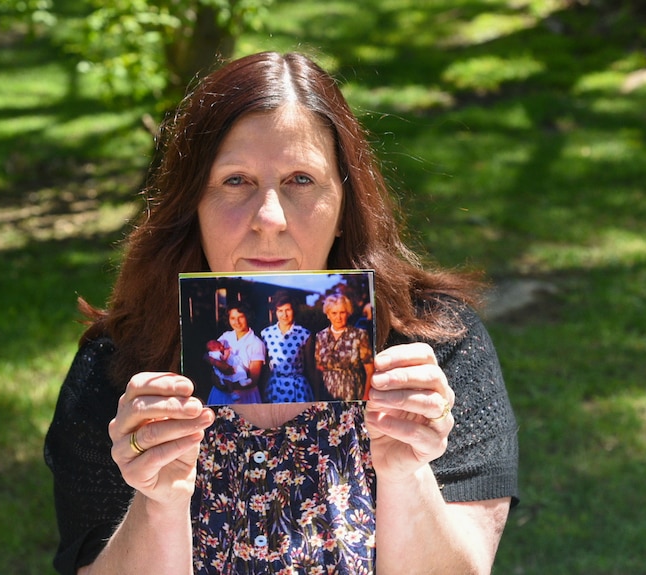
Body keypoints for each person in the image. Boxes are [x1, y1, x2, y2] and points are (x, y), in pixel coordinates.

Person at [44, 51, 518, 575]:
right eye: (235, 181)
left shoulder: (435, 348)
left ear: (344, 205)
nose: (268, 219)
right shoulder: (122, 367)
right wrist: (158, 502)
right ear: (191, 205)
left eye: (300, 180)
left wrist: (406, 473)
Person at [315, 293, 374, 401]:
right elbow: (319, 369)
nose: (338, 317)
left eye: (342, 312)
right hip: (327, 394)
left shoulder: (359, 335)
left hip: (353, 392)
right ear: (328, 314)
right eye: (334, 313)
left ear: (348, 313)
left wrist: (366, 397)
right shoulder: (320, 336)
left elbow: (370, 370)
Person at [203, 304, 264, 405]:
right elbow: (208, 356)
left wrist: (229, 386)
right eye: (233, 318)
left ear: (247, 317)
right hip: (220, 393)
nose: (237, 322)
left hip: (243, 396)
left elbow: (253, 380)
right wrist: (218, 369)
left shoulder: (256, 343)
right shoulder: (225, 337)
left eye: (241, 317)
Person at [259, 292, 314, 402]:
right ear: (275, 312)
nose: (284, 315)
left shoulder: (304, 334)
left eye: (288, 310)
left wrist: (316, 393)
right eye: (280, 311)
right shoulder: (266, 334)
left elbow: (310, 367)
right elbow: (264, 368)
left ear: (294, 311)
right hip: (274, 389)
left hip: (297, 389)